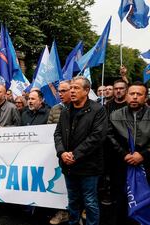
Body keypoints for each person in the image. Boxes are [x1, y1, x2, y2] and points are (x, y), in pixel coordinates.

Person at [54, 76, 107, 225]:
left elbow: (97, 136)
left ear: (87, 91)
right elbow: (58, 133)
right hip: (68, 165)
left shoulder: (98, 110)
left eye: (76, 88)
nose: (72, 91)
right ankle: (73, 222)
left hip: (89, 166)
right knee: (73, 199)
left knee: (90, 201)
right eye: (71, 88)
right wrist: (62, 152)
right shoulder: (65, 110)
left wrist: (75, 155)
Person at [108, 82, 150, 225]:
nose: (135, 97)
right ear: (127, 96)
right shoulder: (115, 115)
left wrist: (143, 154)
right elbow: (109, 137)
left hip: (146, 166)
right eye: (132, 94)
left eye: (139, 94)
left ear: (145, 97)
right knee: (121, 202)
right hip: (122, 166)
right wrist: (124, 154)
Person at [47, 81, 71, 224]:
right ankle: (63, 211)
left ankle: (80, 211)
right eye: (59, 91)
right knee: (60, 184)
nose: (60, 94)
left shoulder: (82, 108)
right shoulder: (55, 108)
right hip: (59, 152)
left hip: (76, 153)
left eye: (63, 91)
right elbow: (49, 128)